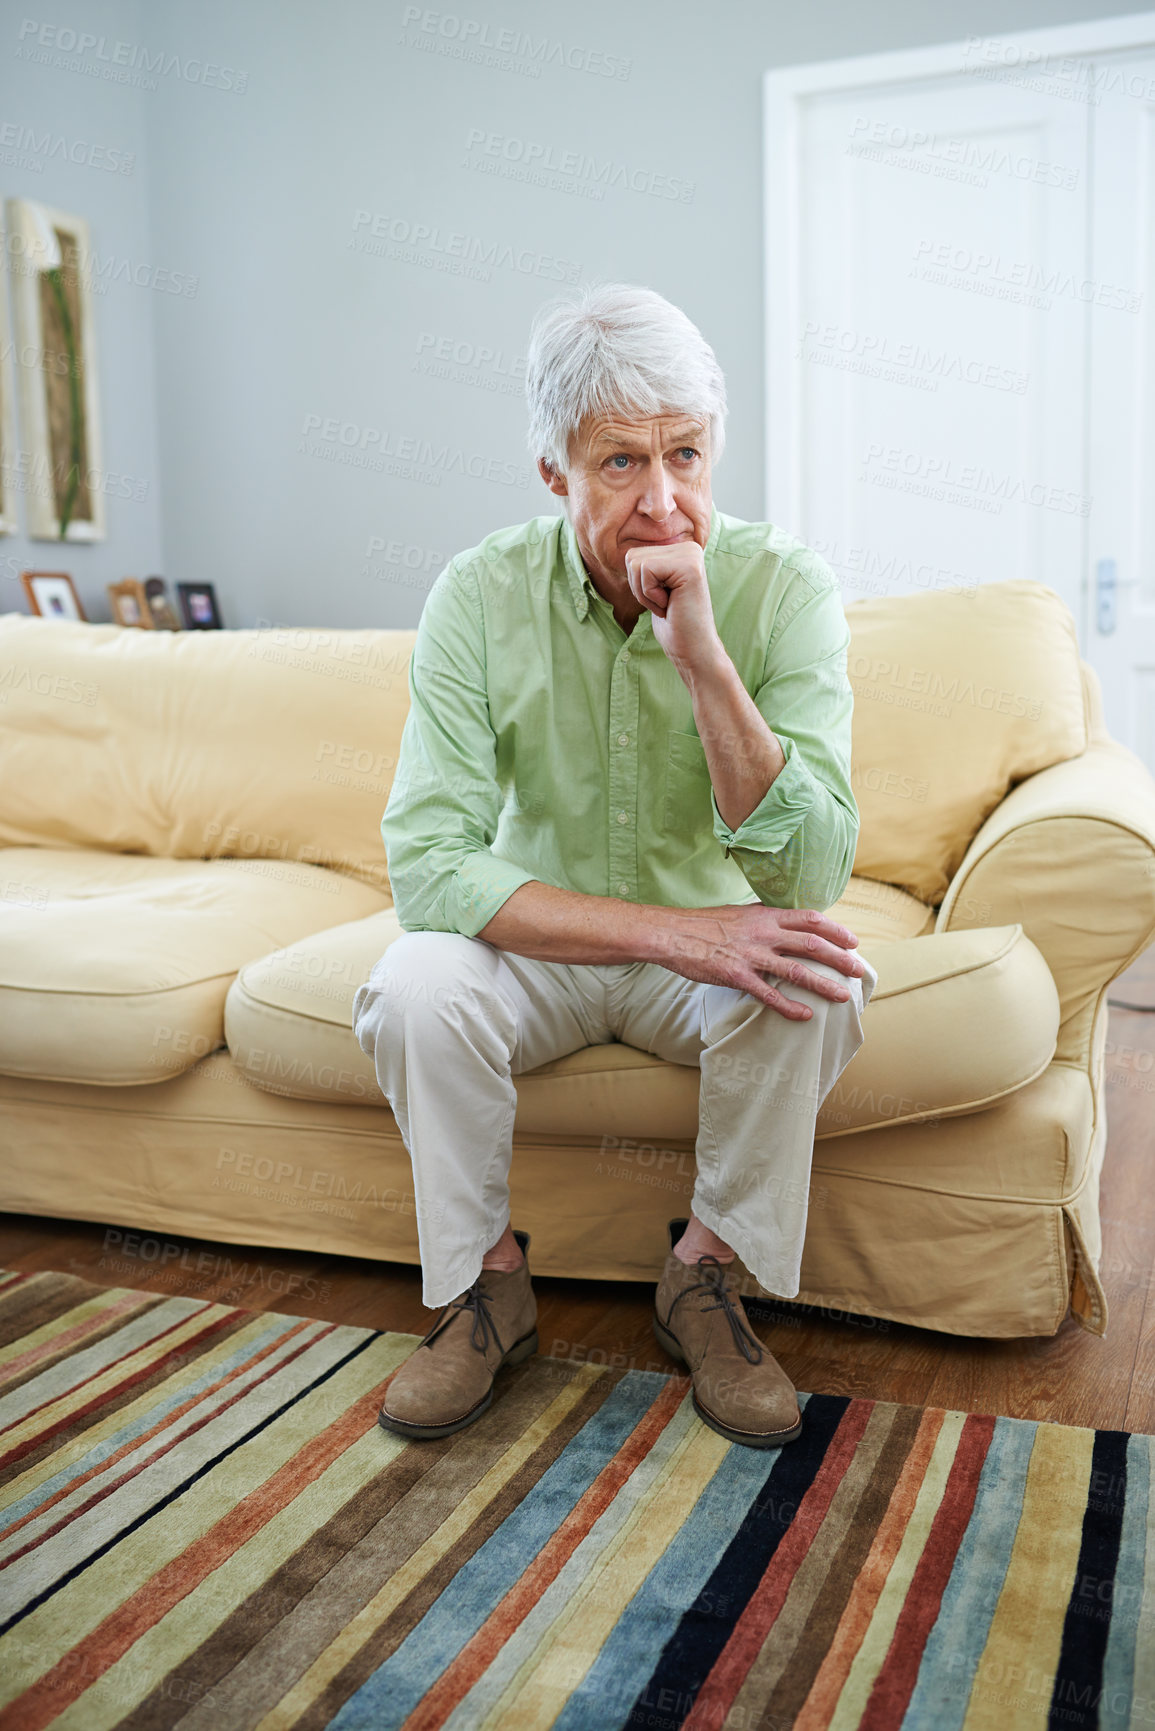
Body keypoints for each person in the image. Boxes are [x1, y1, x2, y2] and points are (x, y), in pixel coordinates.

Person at [352, 282, 878, 1450]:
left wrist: (705, 664)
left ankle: (704, 1277)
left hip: (703, 964)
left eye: (685, 454)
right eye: (619, 465)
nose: (663, 500)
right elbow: (431, 869)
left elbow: (813, 869)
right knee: (412, 987)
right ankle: (488, 1289)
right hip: (543, 948)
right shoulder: (479, 593)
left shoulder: (784, 588)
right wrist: (675, 933)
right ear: (553, 471)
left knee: (822, 978)